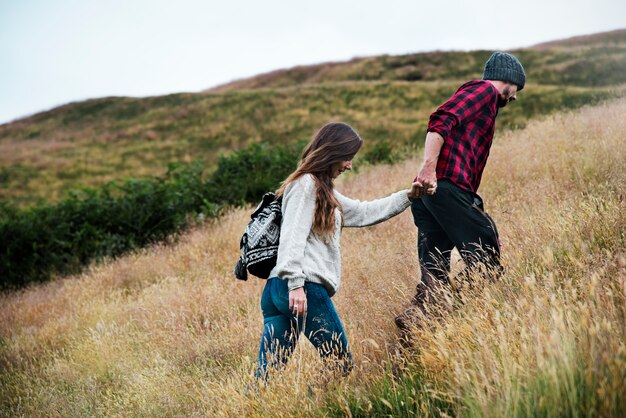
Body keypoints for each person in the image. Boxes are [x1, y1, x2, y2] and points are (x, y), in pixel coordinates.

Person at [256, 122, 429, 380]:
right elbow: (292, 237)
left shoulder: (322, 190)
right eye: (347, 158)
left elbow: (364, 211)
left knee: (267, 375)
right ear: (332, 152)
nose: (349, 165)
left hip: (276, 290)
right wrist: (296, 285)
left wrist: (409, 196)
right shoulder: (306, 185)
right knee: (339, 362)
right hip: (302, 287)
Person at [395, 52, 526, 332]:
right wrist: (428, 170)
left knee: (435, 270)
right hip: (444, 187)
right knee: (487, 255)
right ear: (508, 80)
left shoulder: (485, 104)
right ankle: (465, 309)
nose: (514, 97)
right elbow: (439, 121)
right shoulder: (483, 91)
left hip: (431, 197)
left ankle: (418, 323)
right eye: (516, 90)